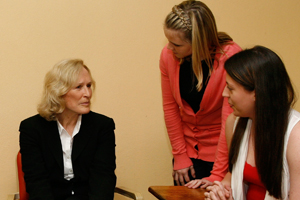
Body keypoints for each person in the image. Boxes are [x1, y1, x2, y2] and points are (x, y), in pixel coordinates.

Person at [160, 0, 241, 186]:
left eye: (176, 44)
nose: (169, 48)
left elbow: (229, 121)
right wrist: (180, 156)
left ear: (199, 42)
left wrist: (218, 174)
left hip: (222, 153)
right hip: (187, 154)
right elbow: (170, 108)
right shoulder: (168, 56)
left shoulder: (230, 58)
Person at [204, 46, 300, 200]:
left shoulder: (296, 136)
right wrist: (223, 189)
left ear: (256, 92)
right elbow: (233, 174)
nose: (224, 93)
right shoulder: (234, 124)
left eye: (230, 88)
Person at [19, 59, 116, 200]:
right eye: (79, 87)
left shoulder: (102, 126)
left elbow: (103, 179)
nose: (87, 93)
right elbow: (37, 182)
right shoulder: (32, 129)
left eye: (89, 86)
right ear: (59, 91)